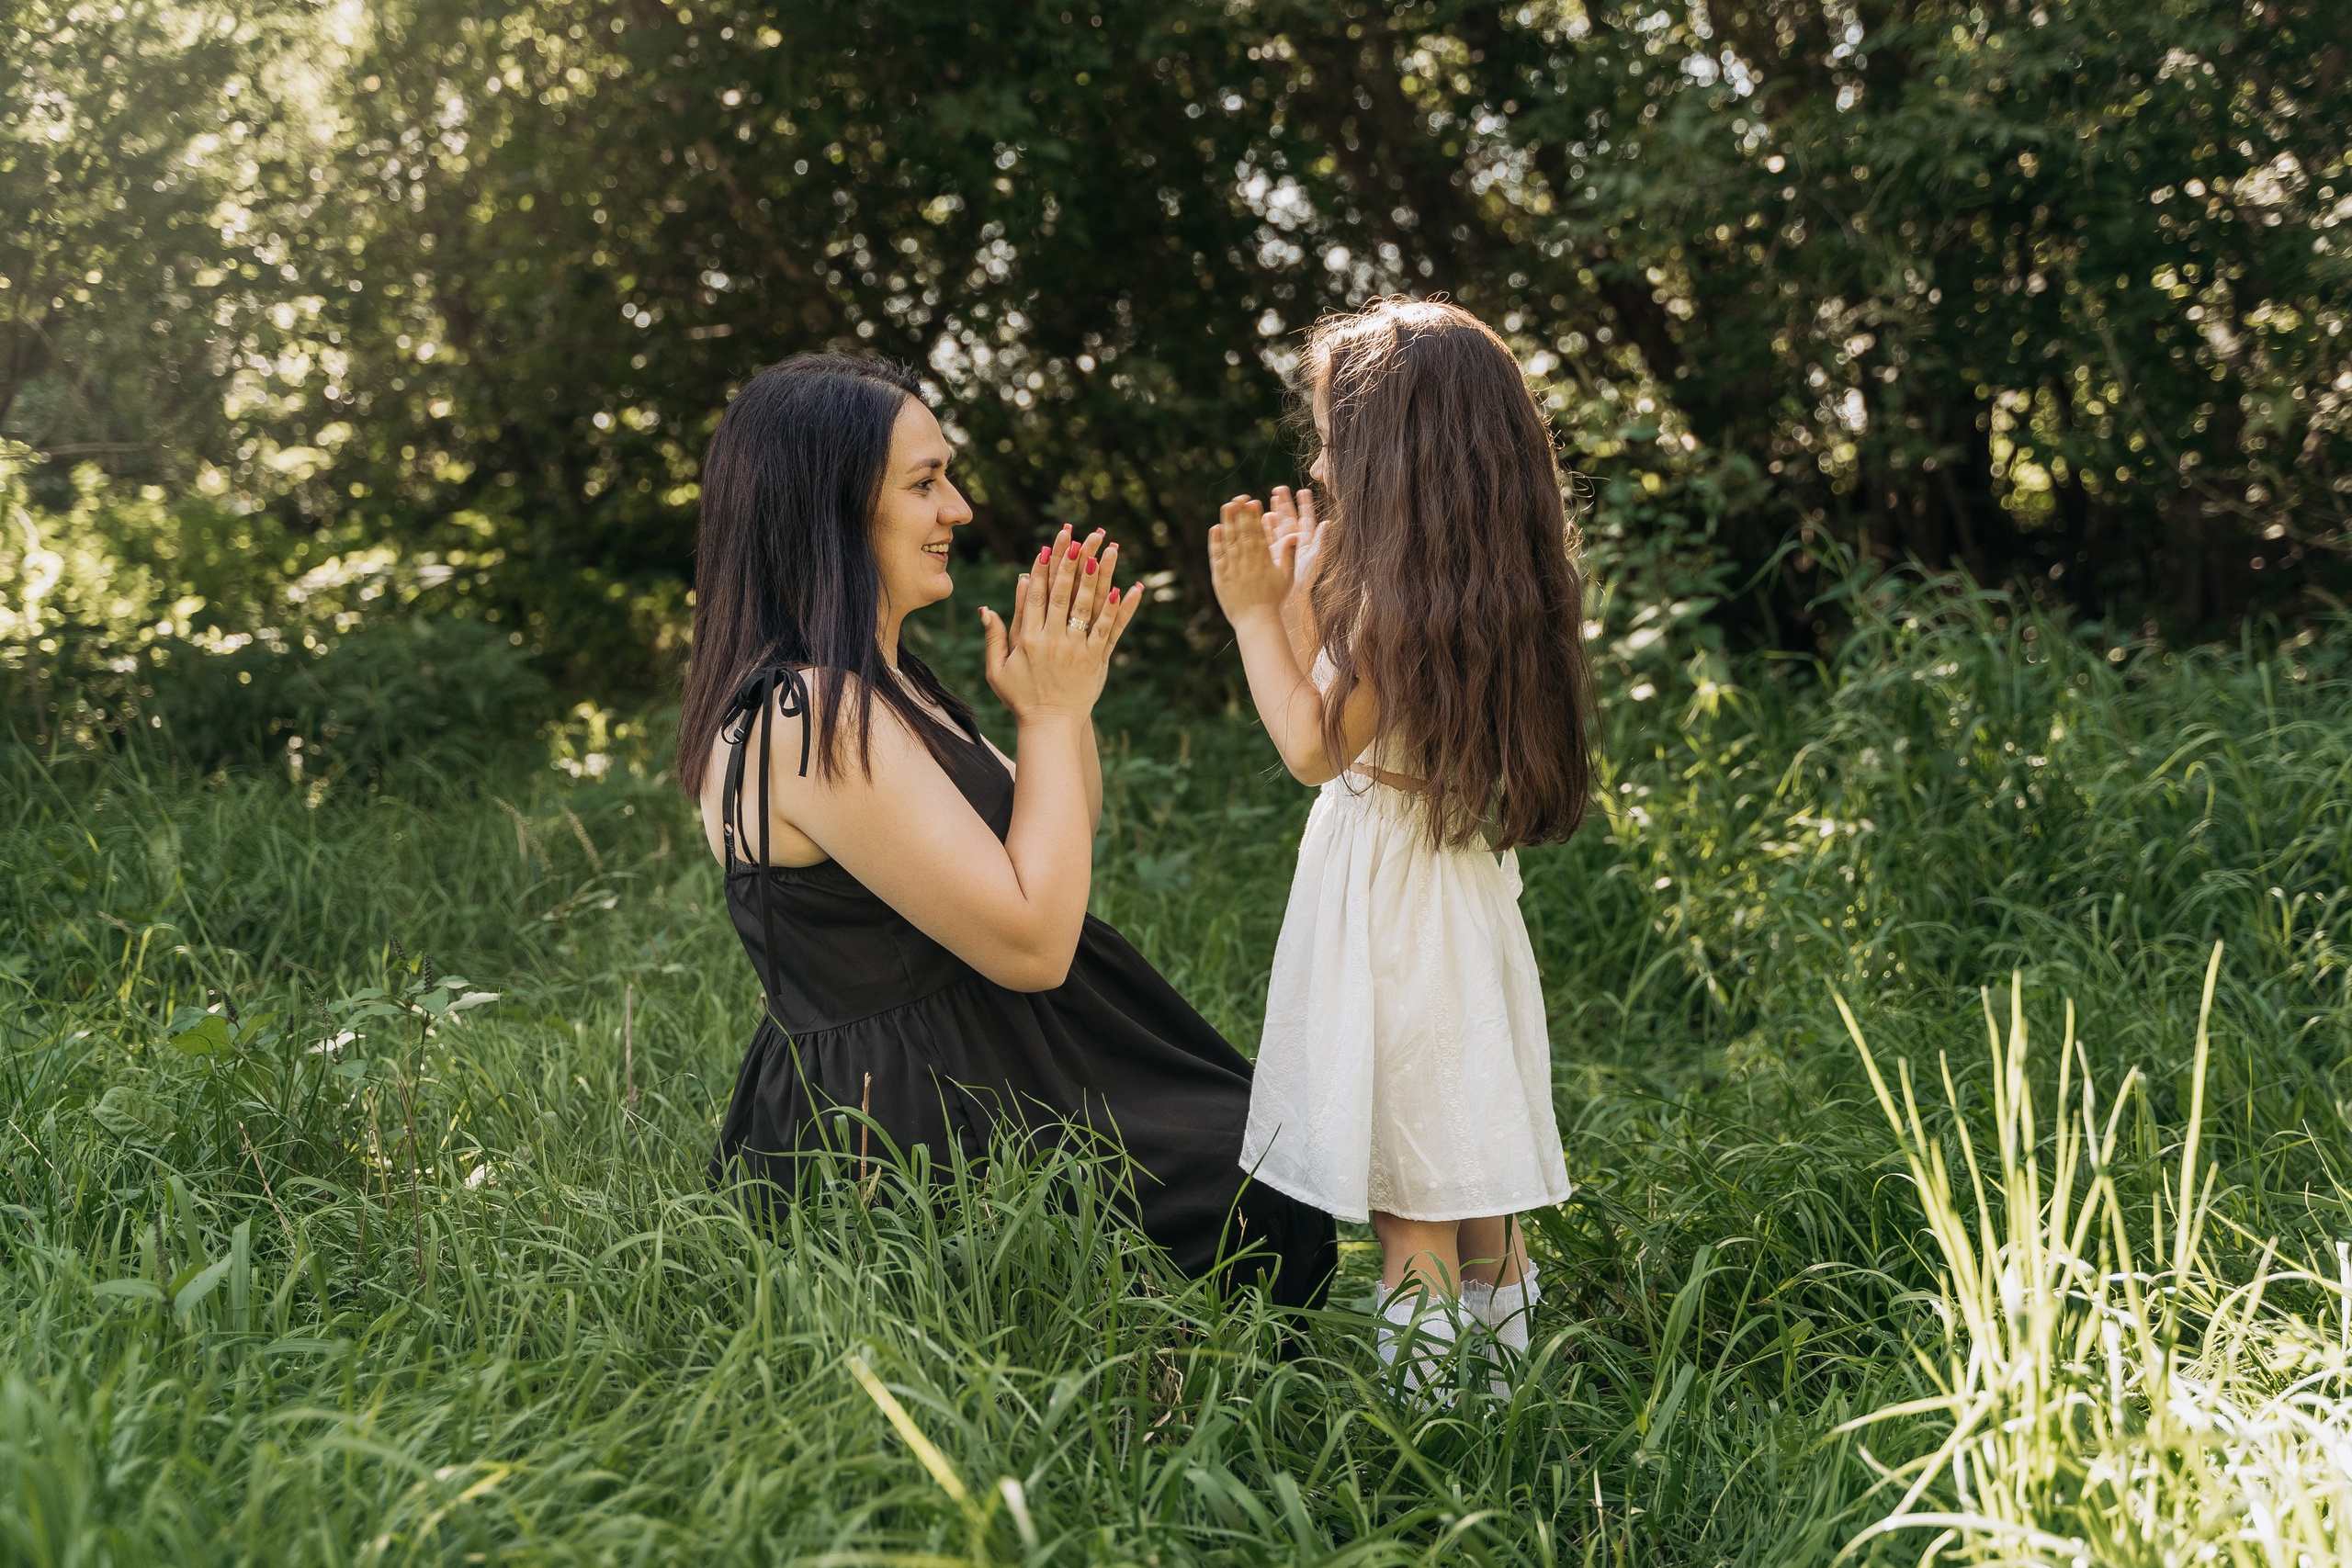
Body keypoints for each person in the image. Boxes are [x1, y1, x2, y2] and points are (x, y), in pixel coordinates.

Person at [677, 352, 1335, 1310]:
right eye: (925, 483)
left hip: (993, 1063)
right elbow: (1033, 942)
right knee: (1249, 1190)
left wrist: (1062, 702)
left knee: (1271, 1158)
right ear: (833, 507)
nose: (959, 508)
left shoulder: (881, 688)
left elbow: (1057, 840)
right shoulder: (806, 713)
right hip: (915, 1120)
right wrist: (1051, 717)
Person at [1205, 299, 1593, 1391]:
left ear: (1395, 453)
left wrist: (1249, 612)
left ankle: (1428, 1440)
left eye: (1333, 436)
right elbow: (1340, 708)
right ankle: (1507, 1403)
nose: (1318, 461)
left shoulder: (1391, 610)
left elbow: (1310, 745)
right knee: (1475, 1187)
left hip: (1390, 912)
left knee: (1408, 1203)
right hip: (1453, 894)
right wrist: (1299, 599)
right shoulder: (1474, 590)